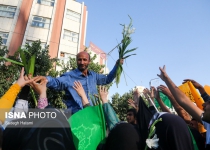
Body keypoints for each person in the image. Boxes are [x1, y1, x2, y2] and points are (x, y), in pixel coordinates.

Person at [34, 51, 123, 114]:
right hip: (77, 117)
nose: (82, 62)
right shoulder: (69, 77)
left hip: (93, 114)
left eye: (84, 60)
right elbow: (56, 82)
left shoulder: (94, 76)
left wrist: (116, 66)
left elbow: (107, 79)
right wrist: (46, 79)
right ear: (76, 61)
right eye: (79, 60)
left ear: (89, 61)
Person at [157, 65, 210, 149]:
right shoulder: (208, 123)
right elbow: (184, 101)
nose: (203, 105)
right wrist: (166, 79)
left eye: (208, 103)